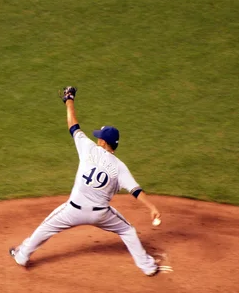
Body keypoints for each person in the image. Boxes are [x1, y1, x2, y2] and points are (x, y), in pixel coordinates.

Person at [9, 86, 171, 276]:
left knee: (46, 227)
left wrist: (69, 100)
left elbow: (73, 125)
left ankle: (22, 255)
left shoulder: (88, 149)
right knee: (128, 231)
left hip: (72, 210)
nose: (96, 139)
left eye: (99, 138)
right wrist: (151, 207)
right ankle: (148, 267)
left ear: (103, 142)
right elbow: (136, 191)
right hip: (101, 215)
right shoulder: (120, 167)